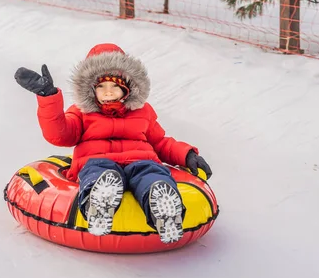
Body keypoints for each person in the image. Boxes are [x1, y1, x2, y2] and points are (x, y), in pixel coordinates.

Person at [14, 43, 212, 243]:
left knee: (151, 173)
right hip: (98, 162)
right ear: (91, 89)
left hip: (140, 161)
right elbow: (60, 134)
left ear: (127, 86)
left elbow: (160, 142)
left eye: (114, 86)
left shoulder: (143, 111)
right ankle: (99, 203)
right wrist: (48, 97)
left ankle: (163, 209)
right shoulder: (82, 112)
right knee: (100, 172)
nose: (108, 92)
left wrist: (187, 155)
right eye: (101, 86)